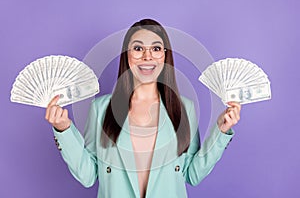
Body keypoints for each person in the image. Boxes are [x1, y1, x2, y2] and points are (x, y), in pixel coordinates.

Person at [45, 19, 241, 198]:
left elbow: (193, 174)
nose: (148, 56)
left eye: (156, 49)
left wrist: (221, 131)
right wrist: (64, 129)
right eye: (138, 48)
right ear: (127, 55)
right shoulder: (101, 109)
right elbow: (87, 176)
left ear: (165, 56)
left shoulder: (184, 109)